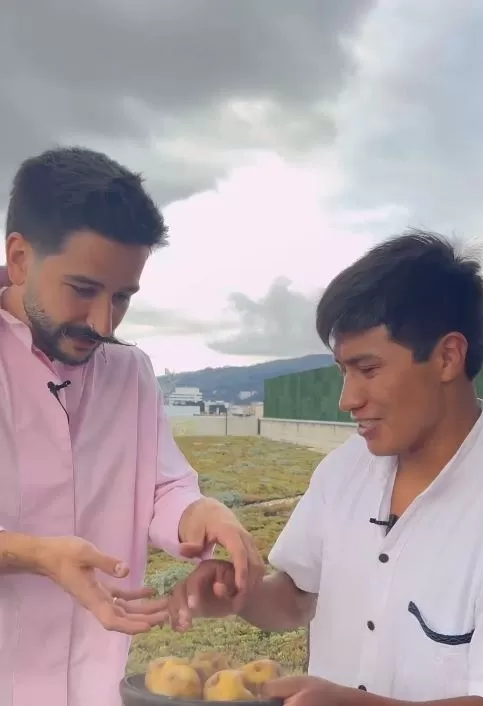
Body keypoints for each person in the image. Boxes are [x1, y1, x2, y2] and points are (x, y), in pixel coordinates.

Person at [169, 231, 483, 706]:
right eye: (343, 370)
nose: (347, 399)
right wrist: (240, 593)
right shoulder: (343, 470)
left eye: (369, 369)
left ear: (447, 356)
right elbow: (298, 596)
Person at [0, 147, 264, 706]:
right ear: (19, 258)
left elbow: (162, 487)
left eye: (122, 297)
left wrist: (199, 512)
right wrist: (32, 553)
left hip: (98, 685)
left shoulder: (130, 372)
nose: (103, 322)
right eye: (83, 289)